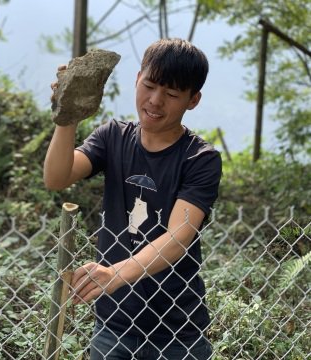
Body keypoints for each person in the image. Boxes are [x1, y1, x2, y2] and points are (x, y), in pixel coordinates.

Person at [43, 38, 222, 359]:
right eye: (150, 85)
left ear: (193, 100)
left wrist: (112, 275)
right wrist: (66, 117)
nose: (155, 101)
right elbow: (57, 177)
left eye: (171, 94)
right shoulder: (112, 137)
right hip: (113, 326)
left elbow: (178, 238)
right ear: (137, 78)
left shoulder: (199, 158)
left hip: (178, 332)